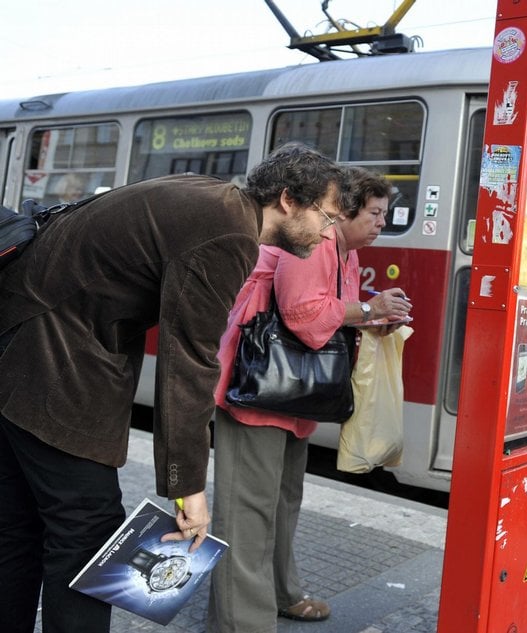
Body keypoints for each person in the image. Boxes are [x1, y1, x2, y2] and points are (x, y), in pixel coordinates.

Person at [0, 142, 348, 633]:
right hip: (52, 361)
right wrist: (189, 489)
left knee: (20, 525)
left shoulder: (213, 198)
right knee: (86, 529)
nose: (328, 232)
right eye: (327, 217)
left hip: (21, 340)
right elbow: (188, 362)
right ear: (289, 199)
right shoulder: (227, 233)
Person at [206, 166, 411, 632]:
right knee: (248, 512)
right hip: (261, 391)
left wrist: (372, 319)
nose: (382, 222)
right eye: (375, 213)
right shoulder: (316, 244)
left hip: (292, 394)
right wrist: (366, 310)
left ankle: (281, 592)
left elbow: (333, 313)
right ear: (347, 213)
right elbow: (302, 313)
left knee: (281, 502)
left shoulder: (346, 253)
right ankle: (243, 623)